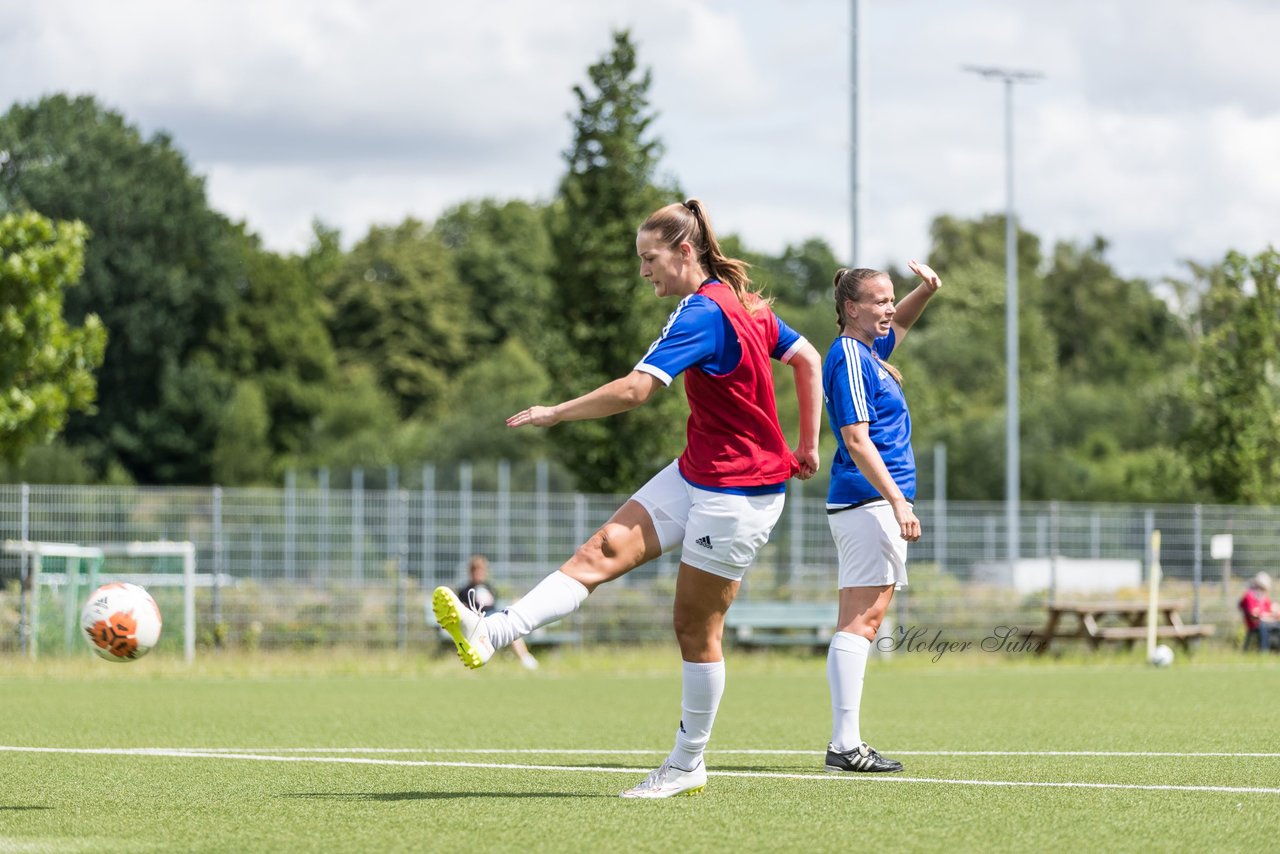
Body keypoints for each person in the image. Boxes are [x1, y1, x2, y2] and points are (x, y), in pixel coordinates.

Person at [433, 198, 822, 799]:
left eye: (649, 258)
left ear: (684, 252)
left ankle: (688, 763)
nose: (644, 272)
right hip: (697, 471)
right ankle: (493, 632)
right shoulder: (746, 304)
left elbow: (638, 390)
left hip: (738, 493)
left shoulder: (702, 312)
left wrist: (557, 412)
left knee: (695, 627)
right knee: (598, 551)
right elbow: (806, 357)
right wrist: (805, 446)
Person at [821, 261, 942, 774]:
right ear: (852, 308)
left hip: (865, 504)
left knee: (858, 621)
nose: (889, 308)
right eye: (878, 300)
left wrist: (926, 290)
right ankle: (845, 745)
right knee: (864, 623)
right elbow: (855, 438)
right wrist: (897, 501)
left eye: (891, 298)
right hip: (868, 503)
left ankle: (844, 743)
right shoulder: (850, 353)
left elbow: (904, 324)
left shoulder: (867, 350)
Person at [452, 555, 539, 670]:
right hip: (478, 621)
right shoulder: (465, 591)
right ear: (471, 572)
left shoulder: (490, 588)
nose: (480, 573)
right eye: (477, 570)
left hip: (494, 617)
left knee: (511, 629)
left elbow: (495, 605)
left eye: (482, 570)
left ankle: (525, 657)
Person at [1240, 571, 1277, 652]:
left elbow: (1269, 609)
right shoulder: (1249, 596)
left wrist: (1274, 610)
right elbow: (1252, 614)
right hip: (1255, 624)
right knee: (1263, 627)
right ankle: (1264, 651)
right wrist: (1262, 614)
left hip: (1266, 622)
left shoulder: (1264, 597)